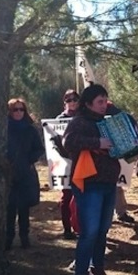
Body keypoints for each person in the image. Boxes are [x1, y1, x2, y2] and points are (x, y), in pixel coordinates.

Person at [62, 84, 122, 275]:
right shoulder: (79, 121)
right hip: (89, 184)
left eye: (105, 100)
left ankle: (98, 270)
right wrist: (96, 142)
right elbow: (68, 142)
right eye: (99, 101)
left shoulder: (108, 122)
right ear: (88, 104)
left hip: (108, 182)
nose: (104, 105)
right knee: (89, 232)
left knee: (103, 230)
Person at [5, 98, 45, 250]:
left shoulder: (30, 129)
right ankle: (8, 237)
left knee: (24, 208)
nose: (18, 112)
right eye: (15, 109)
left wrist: (29, 159)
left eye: (21, 109)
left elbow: (39, 148)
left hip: (25, 173)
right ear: (9, 111)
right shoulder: (3, 128)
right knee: (9, 208)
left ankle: (24, 237)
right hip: (8, 173)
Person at [56, 89, 80, 239]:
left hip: (84, 161)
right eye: (68, 100)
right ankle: (67, 229)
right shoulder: (59, 119)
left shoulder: (84, 117)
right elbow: (56, 141)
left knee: (83, 197)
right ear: (64, 103)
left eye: (75, 99)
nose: (72, 103)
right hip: (66, 162)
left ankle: (81, 227)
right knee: (66, 197)